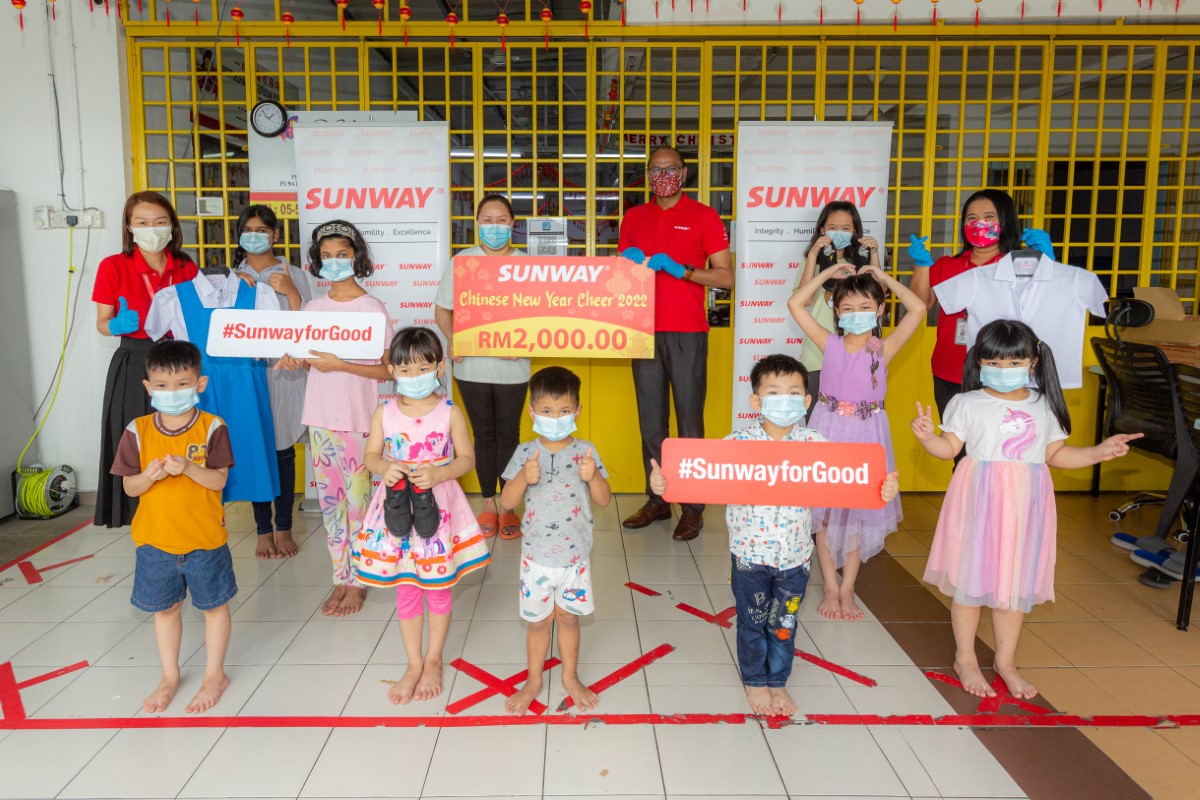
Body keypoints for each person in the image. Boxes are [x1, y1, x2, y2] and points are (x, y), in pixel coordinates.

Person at [650, 354, 898, 717]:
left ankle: (777, 680)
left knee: (784, 623)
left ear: (807, 401)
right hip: (749, 556)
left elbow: (852, 483)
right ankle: (754, 680)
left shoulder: (817, 444)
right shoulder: (736, 444)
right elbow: (695, 476)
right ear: (756, 401)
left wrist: (881, 489)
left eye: (794, 392)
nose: (786, 399)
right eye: (775, 391)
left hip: (795, 559)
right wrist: (664, 483)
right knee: (752, 622)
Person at [912, 320, 1140, 700]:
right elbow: (949, 449)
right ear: (979, 362)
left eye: (1014, 363)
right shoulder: (965, 402)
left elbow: (1056, 454)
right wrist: (927, 437)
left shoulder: (1043, 405)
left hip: (1024, 504)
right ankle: (965, 657)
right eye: (993, 364)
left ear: (1033, 362)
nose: (1003, 372)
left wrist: (1100, 452)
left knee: (1013, 584)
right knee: (969, 582)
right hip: (978, 500)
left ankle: (1006, 661)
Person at [350, 327, 491, 704]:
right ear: (392, 370)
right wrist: (385, 466)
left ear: (439, 367)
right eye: (405, 370)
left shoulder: (450, 411)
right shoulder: (384, 412)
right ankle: (413, 663)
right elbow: (370, 456)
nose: (414, 378)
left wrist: (441, 472)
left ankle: (433, 660)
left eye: (423, 368)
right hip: (395, 508)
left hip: (439, 508)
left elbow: (466, 458)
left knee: (438, 588)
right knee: (407, 587)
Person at [787, 266, 924, 621]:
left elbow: (919, 308)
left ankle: (848, 589)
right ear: (836, 311)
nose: (857, 315)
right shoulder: (828, 343)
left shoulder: (885, 348)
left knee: (858, 514)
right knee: (827, 515)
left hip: (867, 436)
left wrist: (882, 277)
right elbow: (796, 304)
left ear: (880, 310)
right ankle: (831, 588)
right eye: (847, 308)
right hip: (828, 432)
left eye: (866, 307)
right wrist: (830, 272)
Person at [110, 340, 235, 714]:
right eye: (162, 386)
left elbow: (218, 481)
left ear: (200, 384)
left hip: (205, 539)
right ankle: (169, 676)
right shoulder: (138, 429)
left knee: (214, 607)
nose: (172, 392)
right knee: (165, 609)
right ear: (148, 388)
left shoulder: (213, 426)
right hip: (155, 543)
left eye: (182, 383)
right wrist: (147, 476)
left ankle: (215, 674)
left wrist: (191, 468)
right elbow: (129, 486)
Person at [277, 220, 394, 617]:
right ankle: (340, 578)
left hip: (359, 422)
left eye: (341, 255)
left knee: (360, 504)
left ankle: (361, 580)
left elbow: (390, 371)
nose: (334, 262)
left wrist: (343, 364)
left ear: (357, 257)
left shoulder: (371, 308)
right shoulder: (313, 308)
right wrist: (300, 361)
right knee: (331, 507)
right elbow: (316, 367)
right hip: (321, 421)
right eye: (326, 256)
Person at [618, 146, 733, 541]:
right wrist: (624, 263)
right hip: (642, 332)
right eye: (655, 169)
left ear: (684, 173)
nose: (663, 174)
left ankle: (693, 506)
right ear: (647, 174)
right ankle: (658, 499)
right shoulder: (633, 217)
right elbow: (619, 279)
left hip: (687, 331)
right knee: (651, 422)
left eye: (670, 168)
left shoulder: (704, 216)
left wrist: (682, 270)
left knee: (688, 423)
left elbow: (725, 277)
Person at [499, 366, 612, 714]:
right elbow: (506, 501)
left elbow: (605, 499)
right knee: (537, 623)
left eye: (564, 411)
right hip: (536, 559)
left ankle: (570, 677)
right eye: (547, 411)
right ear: (532, 412)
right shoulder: (524, 451)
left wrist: (593, 478)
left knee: (569, 619)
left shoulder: (587, 451)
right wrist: (522, 477)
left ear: (577, 411)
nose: (555, 418)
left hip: (575, 558)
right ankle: (533, 680)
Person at [144, 239, 281, 509]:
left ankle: (263, 528)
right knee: (198, 452)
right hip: (196, 387)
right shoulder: (172, 296)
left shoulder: (259, 293)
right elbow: (153, 332)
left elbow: (275, 338)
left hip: (246, 387)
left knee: (249, 454)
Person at [93, 191, 198, 528]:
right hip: (135, 361)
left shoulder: (186, 265)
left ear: (171, 225)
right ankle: (140, 516)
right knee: (138, 442)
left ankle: (183, 507)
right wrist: (115, 326)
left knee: (182, 436)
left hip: (180, 360)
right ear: (129, 226)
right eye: (142, 222)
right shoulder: (113, 266)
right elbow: (101, 322)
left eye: (159, 222)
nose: (151, 228)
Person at [907, 189, 1055, 424]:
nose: (979, 223)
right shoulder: (948, 265)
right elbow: (922, 303)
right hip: (950, 372)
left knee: (1001, 446)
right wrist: (922, 264)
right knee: (959, 449)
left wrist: (1047, 262)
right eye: (971, 218)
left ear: (1005, 221)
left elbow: (1044, 304)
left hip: (1004, 371)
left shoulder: (1021, 264)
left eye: (989, 216)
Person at [434, 195, 530, 541]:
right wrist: (452, 338)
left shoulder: (527, 266)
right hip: (471, 368)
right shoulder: (463, 262)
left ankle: (508, 506)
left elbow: (540, 318)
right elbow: (443, 310)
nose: (494, 226)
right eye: (487, 220)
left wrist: (524, 341)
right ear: (477, 224)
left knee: (509, 437)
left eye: (501, 220)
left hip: (513, 370)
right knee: (483, 437)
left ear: (512, 223)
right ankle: (488, 502)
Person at [233, 204, 311, 559]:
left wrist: (291, 292)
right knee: (254, 450)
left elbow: (309, 325)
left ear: (276, 235)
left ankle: (283, 528)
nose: (255, 235)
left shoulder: (294, 273)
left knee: (282, 453)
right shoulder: (231, 278)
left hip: (285, 374)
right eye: (248, 229)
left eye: (263, 229)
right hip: (247, 375)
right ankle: (262, 530)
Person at [795, 201, 881, 419]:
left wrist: (875, 254)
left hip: (860, 354)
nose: (839, 234)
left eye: (846, 229)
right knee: (818, 421)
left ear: (855, 231)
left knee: (863, 420)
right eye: (833, 228)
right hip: (817, 357)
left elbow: (880, 294)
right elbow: (802, 300)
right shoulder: (810, 262)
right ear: (822, 229)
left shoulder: (861, 261)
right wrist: (814, 256)